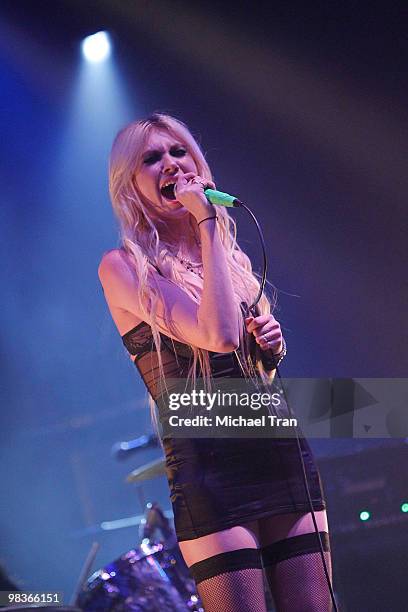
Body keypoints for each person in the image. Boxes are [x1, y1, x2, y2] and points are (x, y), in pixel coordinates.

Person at [98, 113, 333, 611]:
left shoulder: (229, 256)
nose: (171, 165)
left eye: (179, 152)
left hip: (277, 449)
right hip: (211, 468)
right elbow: (218, 337)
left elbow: (253, 366)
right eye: (152, 158)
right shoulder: (123, 267)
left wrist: (272, 347)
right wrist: (205, 219)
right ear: (130, 183)